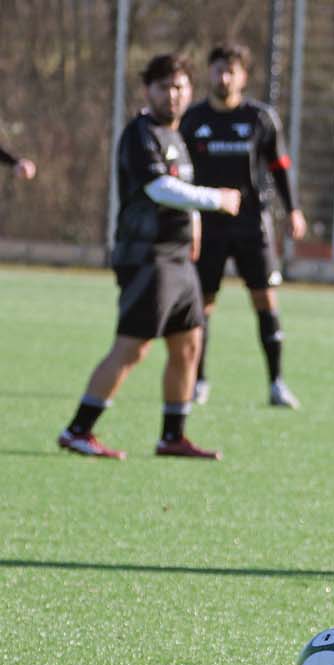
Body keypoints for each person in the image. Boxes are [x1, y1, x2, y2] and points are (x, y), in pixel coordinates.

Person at [57, 53, 240, 461]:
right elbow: (159, 189)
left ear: (189, 91)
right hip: (147, 258)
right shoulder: (141, 133)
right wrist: (215, 200)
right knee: (133, 347)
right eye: (163, 87)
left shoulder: (176, 135)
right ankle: (77, 430)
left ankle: (172, 436)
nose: (172, 95)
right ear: (148, 91)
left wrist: (194, 225)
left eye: (179, 87)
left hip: (178, 260)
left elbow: (179, 189)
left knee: (189, 344)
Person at [180, 42, 307, 409]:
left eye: (231, 71)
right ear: (210, 73)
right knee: (202, 304)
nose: (224, 77)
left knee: (265, 300)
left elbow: (280, 168)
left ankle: (277, 383)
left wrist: (293, 210)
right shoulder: (193, 119)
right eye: (218, 69)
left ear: (243, 76)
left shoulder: (260, 118)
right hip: (207, 226)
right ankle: (199, 381)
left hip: (253, 224)